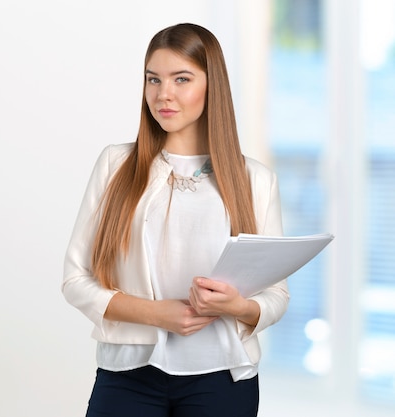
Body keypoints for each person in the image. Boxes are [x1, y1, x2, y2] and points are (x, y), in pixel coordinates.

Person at [62, 23, 289, 417]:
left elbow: (275, 298)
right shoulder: (116, 165)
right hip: (127, 374)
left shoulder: (255, 181)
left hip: (222, 379)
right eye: (153, 79)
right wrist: (157, 314)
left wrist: (237, 306)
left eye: (181, 79)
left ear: (211, 85)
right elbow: (75, 281)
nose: (162, 94)